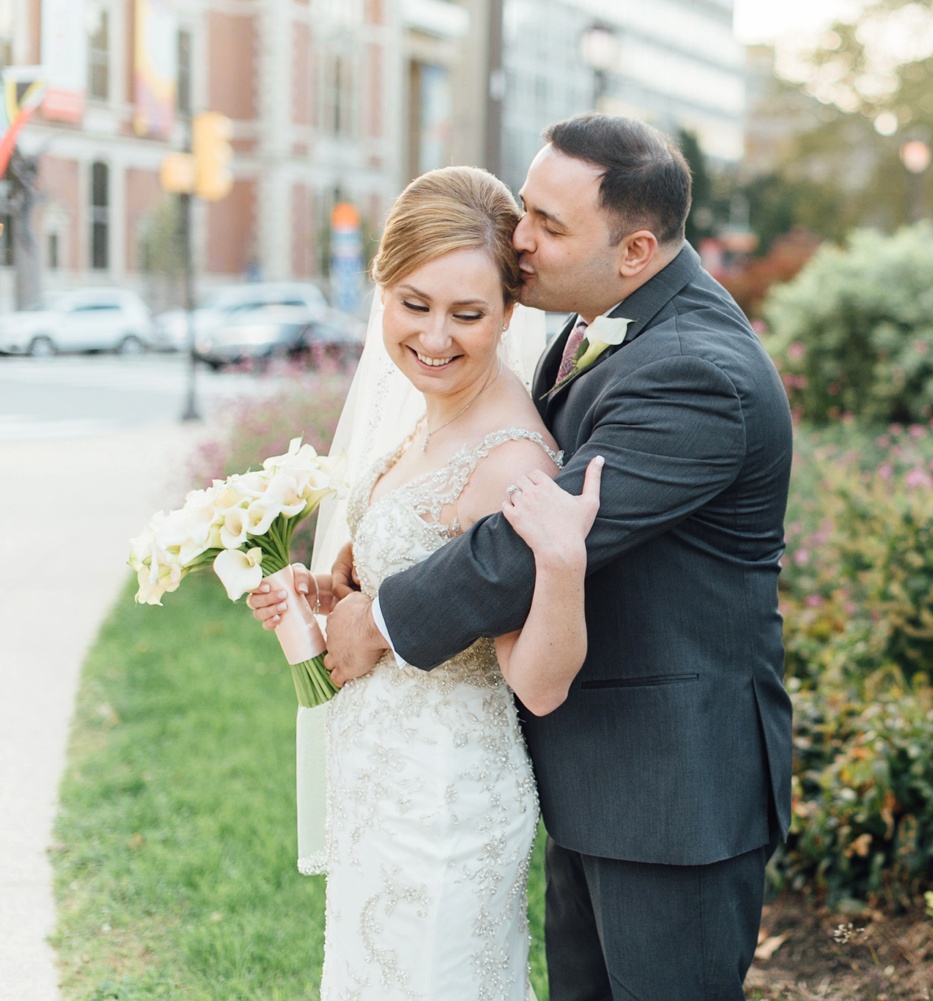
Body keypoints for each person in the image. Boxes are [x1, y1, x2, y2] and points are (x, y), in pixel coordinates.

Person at [321, 113, 795, 999]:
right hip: (593, 770)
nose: (519, 239)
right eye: (524, 207)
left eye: (548, 224)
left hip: (671, 790)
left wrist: (382, 620)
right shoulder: (602, 327)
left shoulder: (697, 371)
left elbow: (521, 542)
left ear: (636, 249)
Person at [252, 164, 603, 999]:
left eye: (468, 313)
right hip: (379, 777)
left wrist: (561, 563)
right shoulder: (423, 414)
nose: (436, 336)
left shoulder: (513, 461)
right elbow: (421, 584)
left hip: (445, 799)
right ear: (382, 292)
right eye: (414, 304)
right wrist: (329, 596)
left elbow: (541, 683)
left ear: (510, 313)